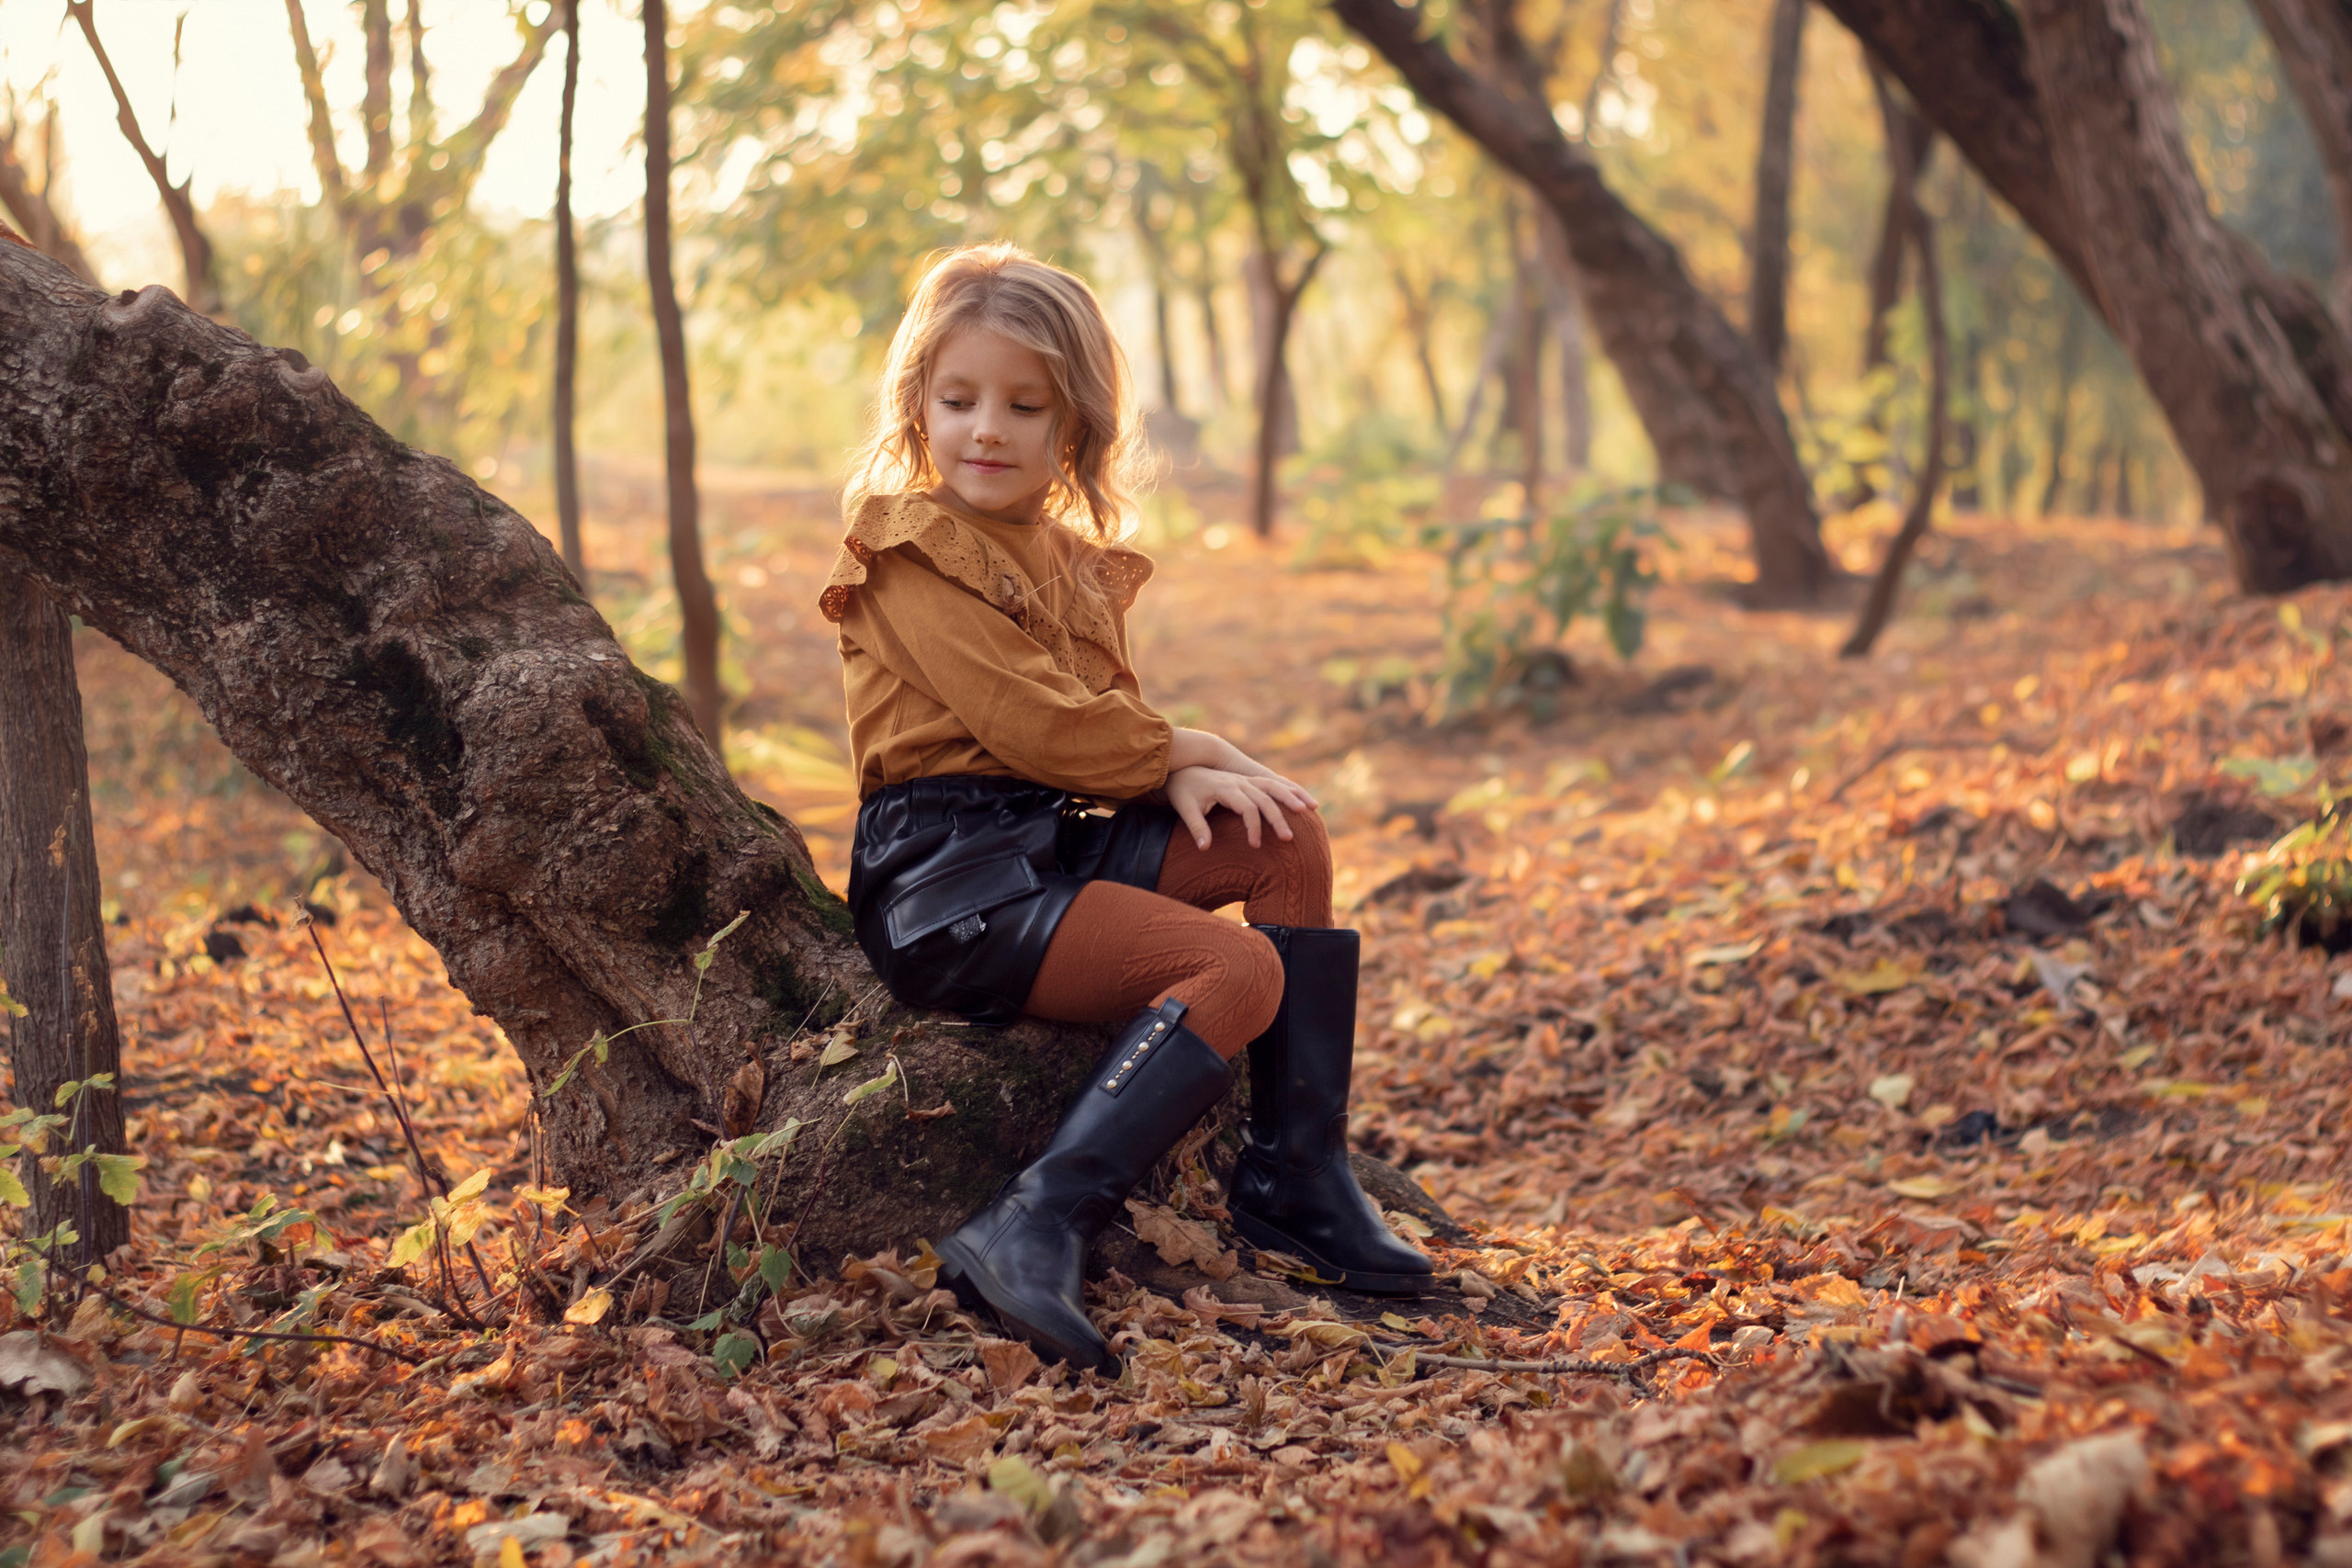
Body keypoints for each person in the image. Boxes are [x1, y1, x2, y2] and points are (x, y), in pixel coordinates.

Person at [819, 243, 1430, 1374]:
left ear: (1074, 428)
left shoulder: (1064, 558)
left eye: (1021, 404)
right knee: (1237, 973)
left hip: (1054, 841)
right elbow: (1037, 725)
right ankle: (1034, 1219)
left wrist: (1182, 771)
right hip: (951, 881)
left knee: (1277, 831)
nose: (985, 429)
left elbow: (1100, 717)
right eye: (958, 401)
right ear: (918, 407)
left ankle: (1298, 1176)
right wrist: (1186, 746)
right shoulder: (907, 549)